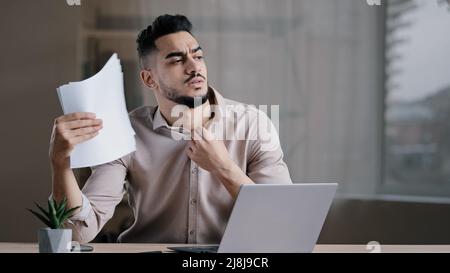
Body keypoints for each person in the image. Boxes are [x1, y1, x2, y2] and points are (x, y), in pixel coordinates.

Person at [49, 14, 292, 244]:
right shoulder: (127, 132)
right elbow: (79, 231)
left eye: (198, 56)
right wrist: (60, 162)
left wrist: (223, 167)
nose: (194, 67)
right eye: (177, 60)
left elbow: (284, 222)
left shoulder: (254, 125)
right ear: (148, 79)